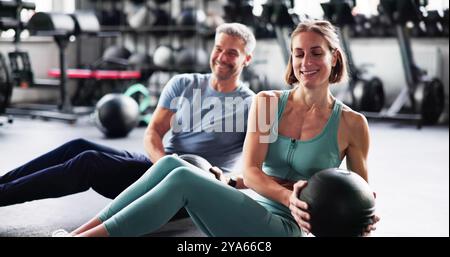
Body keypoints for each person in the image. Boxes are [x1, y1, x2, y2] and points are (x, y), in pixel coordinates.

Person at [53, 19, 379, 237]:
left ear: (335, 58)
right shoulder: (268, 103)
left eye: (316, 53)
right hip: (251, 208)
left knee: (181, 177)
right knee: (171, 162)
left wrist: (364, 216)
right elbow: (251, 172)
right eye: (298, 54)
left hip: (287, 229)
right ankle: (80, 234)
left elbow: (359, 194)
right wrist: (286, 194)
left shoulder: (352, 124)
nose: (306, 62)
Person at [0, 22, 256, 208]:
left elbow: (260, 169)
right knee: (77, 145)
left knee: (89, 161)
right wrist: (164, 163)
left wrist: (227, 181)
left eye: (232, 53)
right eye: (218, 48)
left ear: (246, 59)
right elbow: (154, 131)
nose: (221, 57)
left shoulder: (251, 104)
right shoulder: (184, 83)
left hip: (195, 184)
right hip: (162, 165)